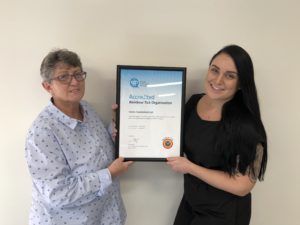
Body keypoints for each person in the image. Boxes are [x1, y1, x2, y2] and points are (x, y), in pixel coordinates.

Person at [25, 49, 133, 225]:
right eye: (63, 77)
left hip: (106, 216)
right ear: (47, 86)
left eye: (78, 74)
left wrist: (117, 128)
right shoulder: (42, 132)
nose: (74, 82)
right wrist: (109, 174)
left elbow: (97, 151)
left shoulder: (87, 108)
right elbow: (57, 193)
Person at [167, 45, 268, 225]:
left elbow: (242, 186)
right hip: (191, 203)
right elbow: (168, 134)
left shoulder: (247, 126)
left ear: (241, 84)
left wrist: (190, 168)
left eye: (230, 76)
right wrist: (125, 123)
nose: (218, 80)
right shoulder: (194, 102)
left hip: (224, 214)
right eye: (215, 70)